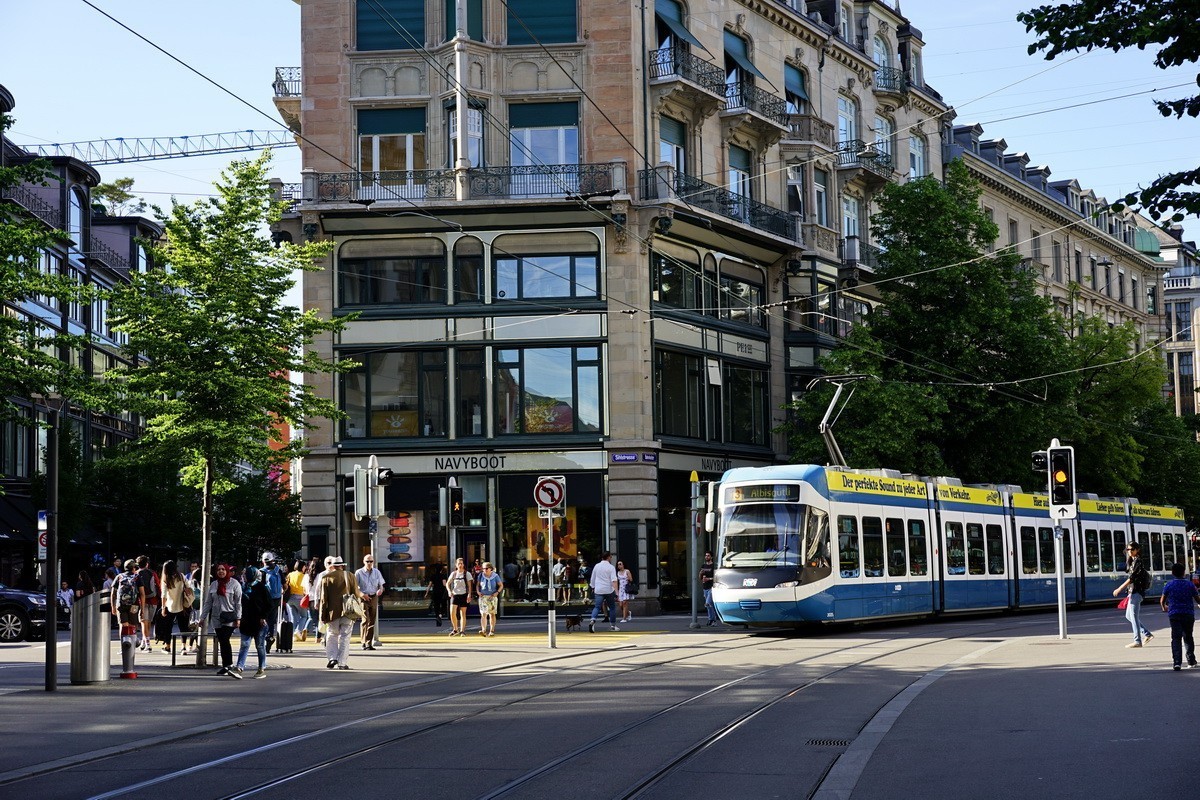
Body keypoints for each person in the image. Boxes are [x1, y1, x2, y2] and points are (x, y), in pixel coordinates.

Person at [201, 564, 242, 677]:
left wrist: (238, 618)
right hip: (216, 618)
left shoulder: (234, 584)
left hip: (229, 617)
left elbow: (238, 603)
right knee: (222, 641)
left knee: (224, 640)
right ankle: (226, 666)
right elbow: (208, 602)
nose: (221, 571)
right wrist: (202, 617)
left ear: (227, 570)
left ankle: (228, 665)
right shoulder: (214, 584)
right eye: (218, 570)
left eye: (223, 569)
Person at [318, 556, 358, 670]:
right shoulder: (350, 576)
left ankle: (332, 658)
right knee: (345, 637)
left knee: (331, 635)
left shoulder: (326, 578)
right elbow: (356, 594)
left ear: (332, 566)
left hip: (332, 613)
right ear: (342, 565)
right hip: (348, 612)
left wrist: (322, 615)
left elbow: (323, 599)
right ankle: (342, 662)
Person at [1113, 541, 1154, 648]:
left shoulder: (1138, 561)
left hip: (1137, 592)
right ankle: (1147, 634)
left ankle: (1137, 641)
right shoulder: (1132, 561)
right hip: (1132, 592)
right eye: (1128, 550)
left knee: (1134, 616)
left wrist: (1120, 588)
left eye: (1132, 549)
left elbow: (1132, 578)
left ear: (1137, 550)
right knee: (1128, 616)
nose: (1130, 551)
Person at [1159, 562, 1200, 670]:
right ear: (1183, 572)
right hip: (1188, 614)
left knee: (1176, 638)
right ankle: (1191, 661)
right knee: (1188, 637)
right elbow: (1197, 598)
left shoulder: (1169, 584)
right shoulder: (1190, 584)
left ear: (1172, 573)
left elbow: (1162, 599)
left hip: (1174, 614)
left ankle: (1177, 662)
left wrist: (1164, 607)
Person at [235, 566, 272, 678]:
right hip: (246, 621)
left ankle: (261, 668)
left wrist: (263, 617)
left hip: (259, 622)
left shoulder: (261, 587)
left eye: (246, 574)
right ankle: (239, 667)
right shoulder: (243, 587)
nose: (244, 576)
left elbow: (269, 605)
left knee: (260, 646)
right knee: (244, 645)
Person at [159, 560, 192, 653]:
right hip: (182, 605)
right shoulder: (181, 576)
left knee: (168, 627)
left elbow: (164, 595)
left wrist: (163, 608)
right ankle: (183, 647)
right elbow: (188, 587)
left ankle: (168, 646)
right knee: (183, 627)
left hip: (170, 606)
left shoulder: (165, 579)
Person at [354, 554, 385, 650]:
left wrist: (380, 589)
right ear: (364, 562)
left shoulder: (376, 572)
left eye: (371, 561)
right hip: (363, 597)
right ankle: (364, 641)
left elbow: (381, 585)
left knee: (372, 620)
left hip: (374, 596)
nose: (369, 563)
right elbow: (355, 587)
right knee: (365, 619)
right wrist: (362, 595)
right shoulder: (359, 572)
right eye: (367, 561)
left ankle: (369, 642)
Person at [588, 551, 619, 633]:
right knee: (612, 607)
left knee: (597, 607)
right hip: (609, 590)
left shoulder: (597, 566)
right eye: (611, 556)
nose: (611, 558)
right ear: (608, 557)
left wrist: (593, 587)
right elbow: (614, 581)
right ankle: (612, 626)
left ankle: (592, 620)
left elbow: (593, 578)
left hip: (598, 590)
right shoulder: (611, 567)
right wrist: (617, 592)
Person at [135, 555, 160, 651]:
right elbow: (158, 586)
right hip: (153, 600)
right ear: (147, 564)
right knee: (148, 622)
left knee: (143, 622)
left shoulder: (136, 574)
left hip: (142, 601)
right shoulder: (153, 573)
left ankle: (147, 643)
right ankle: (144, 641)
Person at [260, 552, 284, 651]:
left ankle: (265, 638)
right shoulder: (278, 570)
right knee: (271, 619)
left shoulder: (262, 571)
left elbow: (259, 586)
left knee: (263, 618)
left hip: (266, 599)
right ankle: (270, 636)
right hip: (277, 598)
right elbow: (285, 584)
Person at [445, 557, 474, 636]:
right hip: (455, 595)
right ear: (456, 565)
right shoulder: (454, 574)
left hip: (463, 595)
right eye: (459, 564)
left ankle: (462, 630)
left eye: (461, 563)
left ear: (463, 564)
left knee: (462, 613)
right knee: (452, 612)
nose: (460, 565)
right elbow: (447, 583)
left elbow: (469, 585)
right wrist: (449, 591)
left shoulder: (467, 573)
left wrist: (469, 594)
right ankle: (455, 629)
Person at [285, 560, 310, 643]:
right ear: (302, 567)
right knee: (304, 616)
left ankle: (293, 635)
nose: (305, 568)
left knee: (293, 618)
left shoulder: (290, 574)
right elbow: (306, 588)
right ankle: (298, 630)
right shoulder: (304, 576)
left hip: (290, 598)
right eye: (304, 566)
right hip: (300, 598)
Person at [476, 562, 503, 636]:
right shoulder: (481, 575)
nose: (484, 570)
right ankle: (483, 630)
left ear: (491, 569)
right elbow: (477, 585)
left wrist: (497, 592)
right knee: (483, 614)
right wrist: (478, 591)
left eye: (486, 568)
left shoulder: (495, 576)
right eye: (483, 568)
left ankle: (492, 630)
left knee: (492, 614)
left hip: (492, 596)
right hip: (483, 596)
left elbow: (501, 585)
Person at [305, 556, 324, 642]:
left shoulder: (306, 576)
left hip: (310, 599)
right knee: (320, 619)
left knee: (313, 618)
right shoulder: (321, 575)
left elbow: (304, 589)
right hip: (320, 598)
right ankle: (318, 636)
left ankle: (305, 628)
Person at [699, 551, 717, 626]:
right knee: (709, 605)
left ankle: (713, 620)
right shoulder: (703, 565)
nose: (706, 557)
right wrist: (700, 573)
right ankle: (711, 619)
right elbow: (700, 578)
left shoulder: (713, 566)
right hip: (705, 587)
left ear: (711, 557)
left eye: (708, 556)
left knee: (708, 603)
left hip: (711, 587)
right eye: (706, 556)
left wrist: (708, 579)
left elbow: (716, 578)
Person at [616, 559, 633, 623]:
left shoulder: (627, 571)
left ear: (623, 565)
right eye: (618, 564)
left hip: (626, 589)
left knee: (624, 603)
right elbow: (617, 582)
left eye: (620, 564)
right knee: (620, 605)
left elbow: (631, 579)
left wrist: (628, 578)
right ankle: (628, 612)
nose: (619, 565)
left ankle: (624, 618)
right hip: (621, 589)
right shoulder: (618, 573)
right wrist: (616, 591)